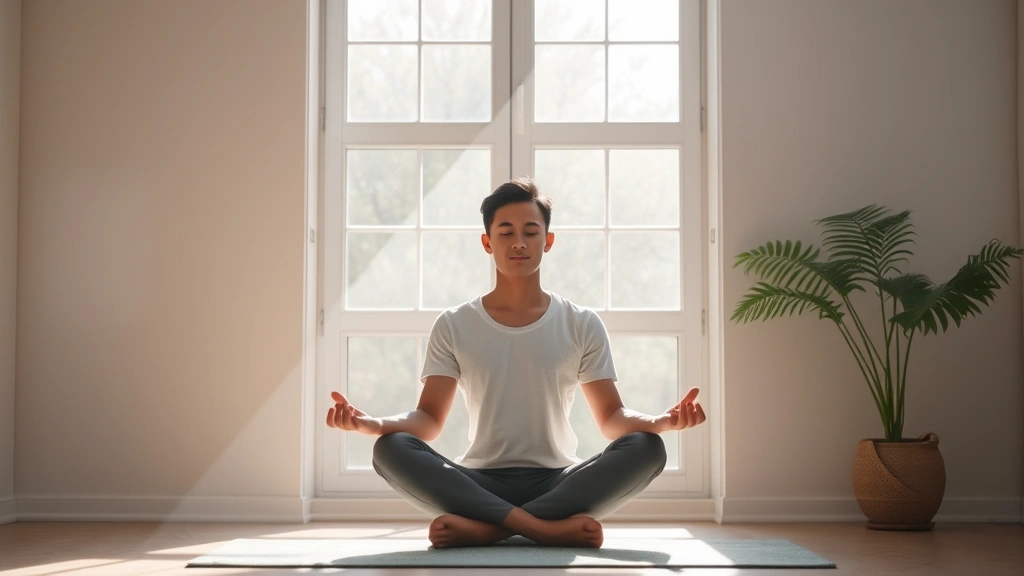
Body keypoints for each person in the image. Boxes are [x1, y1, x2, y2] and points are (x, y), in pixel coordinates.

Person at [326, 177, 707, 549]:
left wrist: (661, 422)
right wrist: (372, 424)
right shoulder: (454, 324)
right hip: (477, 480)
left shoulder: (581, 322)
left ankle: (489, 529)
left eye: (531, 231)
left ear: (548, 240)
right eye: (506, 232)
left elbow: (611, 418)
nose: (519, 243)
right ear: (487, 243)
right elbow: (428, 420)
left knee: (648, 447)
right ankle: (544, 529)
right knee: (390, 449)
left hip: (559, 479)